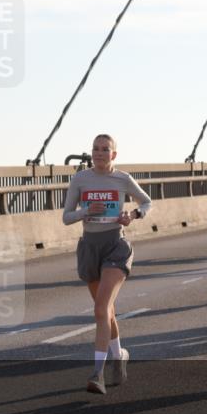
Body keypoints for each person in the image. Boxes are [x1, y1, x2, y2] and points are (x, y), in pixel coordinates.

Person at [62, 134, 152, 395]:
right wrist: (84, 212)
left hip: (115, 246)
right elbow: (66, 217)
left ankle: (97, 373)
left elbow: (146, 201)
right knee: (106, 311)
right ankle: (119, 354)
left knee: (101, 308)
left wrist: (132, 215)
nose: (99, 153)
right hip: (90, 247)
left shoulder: (123, 179)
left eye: (105, 149)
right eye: (95, 149)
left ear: (114, 155)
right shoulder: (80, 179)